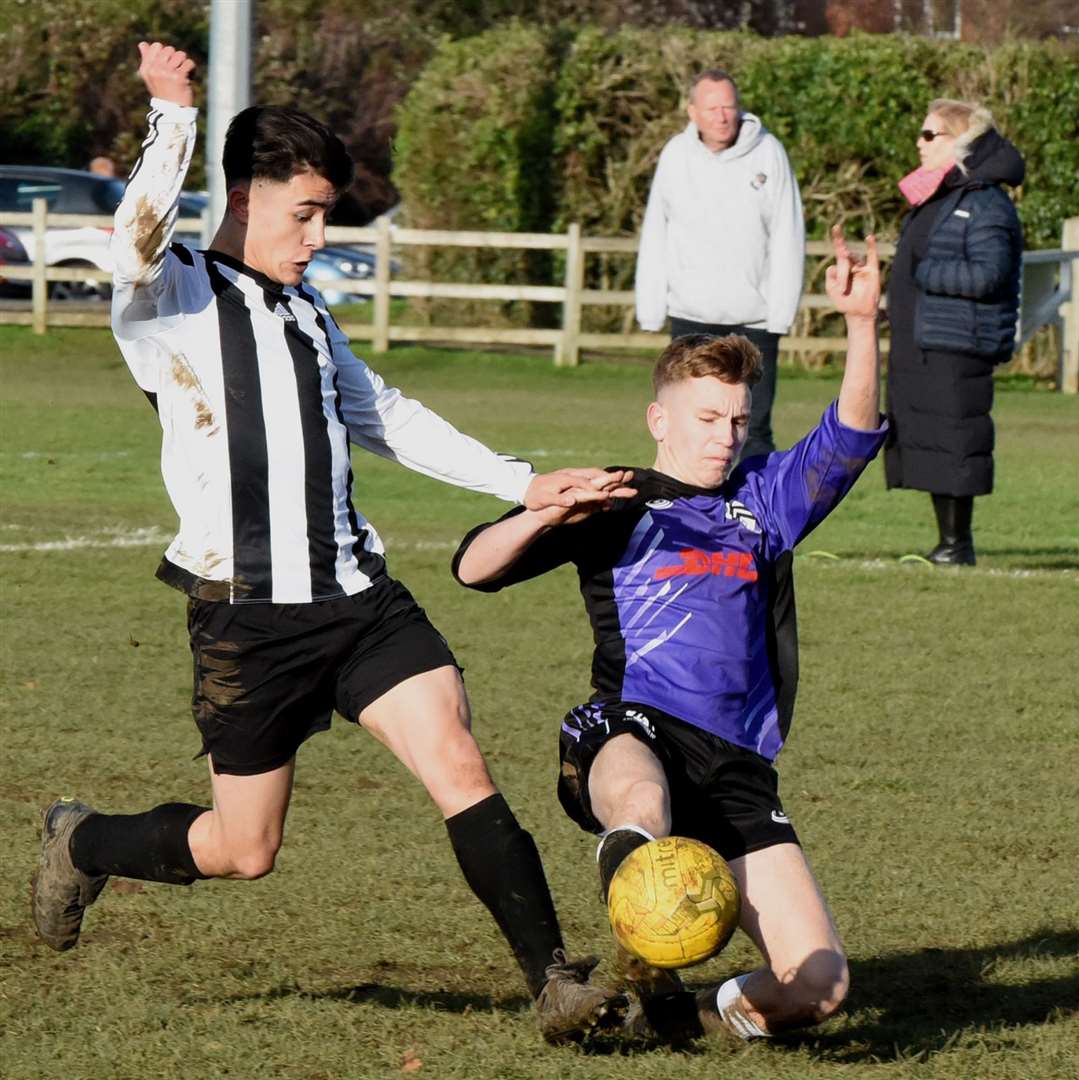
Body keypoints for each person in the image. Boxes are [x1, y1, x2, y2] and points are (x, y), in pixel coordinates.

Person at [31, 41, 637, 1047]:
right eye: (301, 214)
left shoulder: (308, 312)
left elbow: (386, 416)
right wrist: (171, 112)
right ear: (242, 196)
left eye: (326, 217)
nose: (316, 238)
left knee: (456, 758)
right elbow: (133, 235)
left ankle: (555, 985)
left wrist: (522, 482)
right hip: (246, 618)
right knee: (242, 848)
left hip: (357, 599)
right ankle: (83, 842)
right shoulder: (168, 295)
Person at [452, 226, 886, 1045]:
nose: (724, 434)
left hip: (735, 764)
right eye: (706, 416)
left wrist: (861, 324)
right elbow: (474, 568)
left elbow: (850, 436)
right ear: (659, 417)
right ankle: (644, 952)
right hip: (631, 727)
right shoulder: (614, 500)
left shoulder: (765, 501)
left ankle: (699, 1012)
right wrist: (543, 509)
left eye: (736, 419)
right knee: (643, 803)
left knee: (823, 985)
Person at [635, 68, 804, 462]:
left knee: (752, 428)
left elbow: (787, 233)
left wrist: (780, 313)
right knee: (686, 427)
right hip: (690, 318)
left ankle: (757, 519)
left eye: (729, 106)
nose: (722, 116)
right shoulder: (676, 154)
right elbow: (656, 230)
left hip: (754, 322)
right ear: (693, 111)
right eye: (712, 108)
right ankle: (683, 515)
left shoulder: (768, 152)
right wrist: (650, 308)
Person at [884, 99, 1024, 565]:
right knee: (932, 440)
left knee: (955, 441)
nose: (919, 144)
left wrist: (925, 275)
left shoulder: (985, 202)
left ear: (959, 141)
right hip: (925, 341)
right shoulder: (941, 195)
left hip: (957, 343)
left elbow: (990, 274)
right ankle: (948, 542)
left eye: (930, 135)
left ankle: (956, 543)